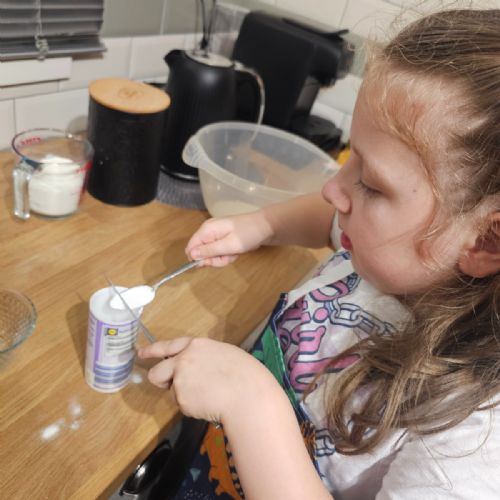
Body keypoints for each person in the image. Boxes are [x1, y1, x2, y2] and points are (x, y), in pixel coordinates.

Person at [138, 8, 500, 499]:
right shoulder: (379, 249)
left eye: (371, 184)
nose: (333, 189)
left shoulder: (475, 436)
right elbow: (324, 217)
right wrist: (261, 225)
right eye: (352, 161)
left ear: (485, 242)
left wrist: (251, 404)